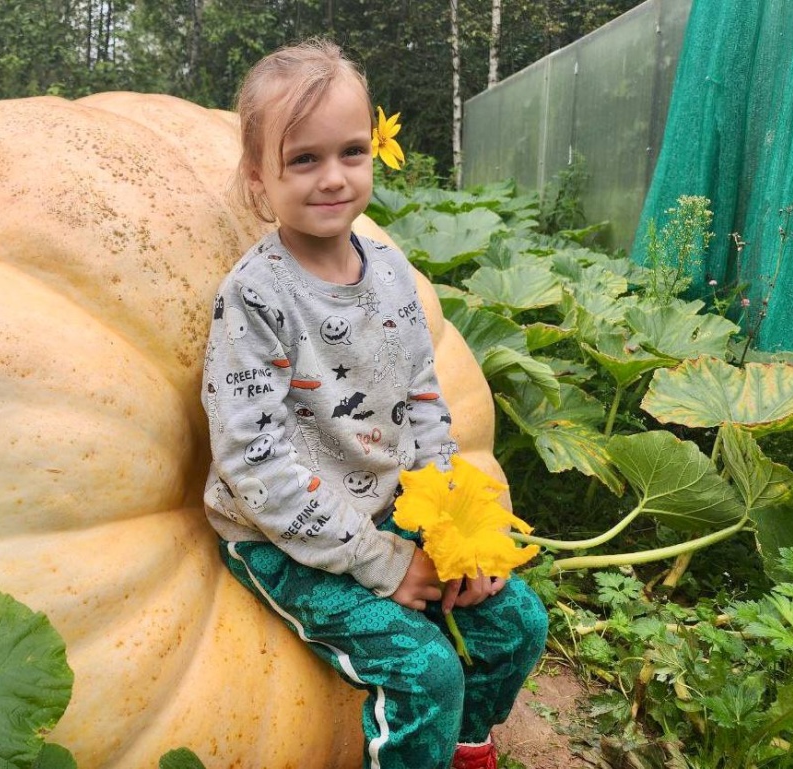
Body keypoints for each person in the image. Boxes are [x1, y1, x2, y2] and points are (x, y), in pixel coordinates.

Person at [201, 38, 548, 769]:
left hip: (390, 503)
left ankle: (464, 744)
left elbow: (424, 397)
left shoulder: (389, 269)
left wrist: (455, 530)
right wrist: (384, 563)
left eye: (351, 152)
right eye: (303, 159)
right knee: (426, 670)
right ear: (258, 180)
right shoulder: (255, 297)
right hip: (280, 533)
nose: (333, 178)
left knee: (518, 623)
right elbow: (253, 460)